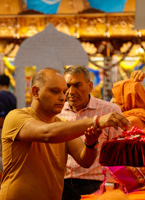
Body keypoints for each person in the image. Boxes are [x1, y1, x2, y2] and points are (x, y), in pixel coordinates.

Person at [0, 68, 129, 200]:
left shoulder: (62, 122)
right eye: (55, 91)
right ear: (36, 92)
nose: (63, 97)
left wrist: (90, 144)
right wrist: (97, 121)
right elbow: (48, 133)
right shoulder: (16, 117)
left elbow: (84, 161)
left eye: (63, 92)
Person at [56, 65, 123, 199]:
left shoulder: (110, 111)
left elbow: (117, 153)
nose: (71, 91)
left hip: (96, 184)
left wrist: (111, 187)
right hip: (61, 184)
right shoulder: (57, 112)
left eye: (77, 85)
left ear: (90, 86)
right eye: (67, 86)